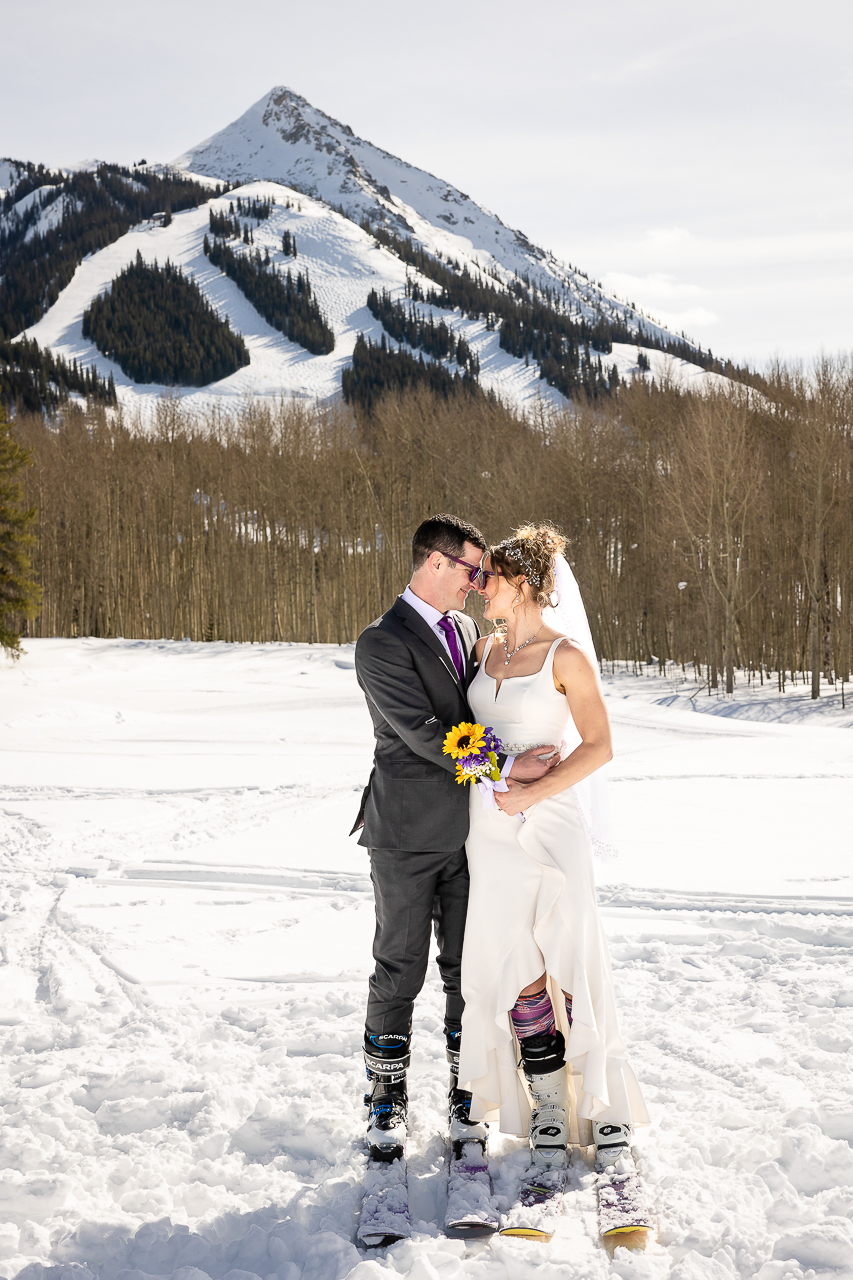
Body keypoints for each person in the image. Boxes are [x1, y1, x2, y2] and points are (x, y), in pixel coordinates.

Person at [352, 514, 556, 1162]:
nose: (476, 583)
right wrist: (502, 765)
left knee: (466, 973)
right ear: (435, 564)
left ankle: (466, 1097)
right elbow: (421, 732)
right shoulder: (379, 643)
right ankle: (385, 1102)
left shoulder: (467, 630)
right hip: (405, 835)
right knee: (399, 968)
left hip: (468, 834)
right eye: (470, 571)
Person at [458, 522, 649, 1174]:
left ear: (524, 585)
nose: (479, 586)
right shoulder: (480, 652)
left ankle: (601, 1108)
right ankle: (544, 1107)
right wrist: (499, 777)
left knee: (570, 956)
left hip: (552, 824)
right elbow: (463, 736)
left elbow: (598, 747)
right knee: (516, 966)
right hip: (488, 826)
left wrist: (535, 791)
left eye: (491, 577)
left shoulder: (566, 657)